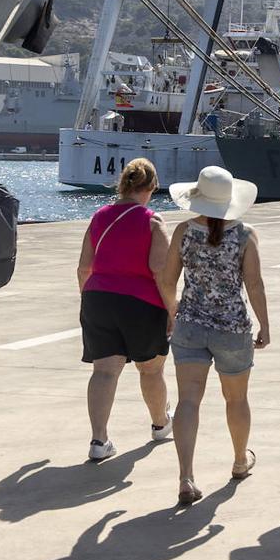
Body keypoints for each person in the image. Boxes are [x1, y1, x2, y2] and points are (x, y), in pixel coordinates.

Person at [159, 166, 270, 505]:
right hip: (232, 328)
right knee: (236, 399)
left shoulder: (182, 232)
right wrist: (265, 325)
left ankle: (186, 477)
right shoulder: (246, 235)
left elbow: (167, 281)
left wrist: (173, 313)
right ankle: (239, 460)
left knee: (188, 401)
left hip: (191, 326)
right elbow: (254, 284)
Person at [76, 159, 173, 463]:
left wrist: (89, 300)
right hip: (141, 303)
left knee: (104, 371)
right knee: (151, 369)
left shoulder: (99, 217)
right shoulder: (152, 220)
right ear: (151, 188)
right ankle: (160, 424)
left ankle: (98, 439)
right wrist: (172, 309)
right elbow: (160, 270)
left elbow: (83, 267)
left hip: (98, 298)